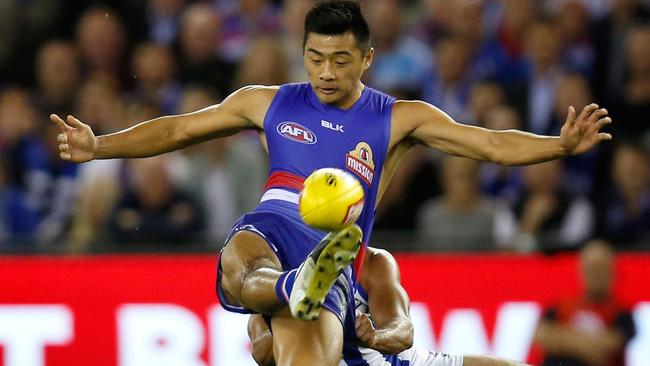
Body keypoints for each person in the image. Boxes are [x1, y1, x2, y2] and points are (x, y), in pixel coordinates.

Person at [51, 2, 612, 365]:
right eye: (315, 58)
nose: (325, 72)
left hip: (337, 256)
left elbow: (488, 144)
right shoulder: (266, 102)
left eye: (340, 60)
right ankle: (289, 287)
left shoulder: (400, 118)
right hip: (276, 224)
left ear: (366, 58)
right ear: (302, 55)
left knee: (288, 351)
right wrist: (102, 145)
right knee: (242, 258)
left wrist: (558, 146)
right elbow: (178, 129)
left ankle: (294, 291)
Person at [248, 246, 527, 366]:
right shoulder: (274, 278)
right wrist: (310, 316)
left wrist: (374, 336)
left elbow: (403, 331)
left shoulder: (371, 262)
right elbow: (262, 354)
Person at [533, 240, 636, 365]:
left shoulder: (622, 311)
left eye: (601, 269)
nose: (597, 275)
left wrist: (561, 339)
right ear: (581, 269)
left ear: (613, 272)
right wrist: (586, 348)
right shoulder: (561, 305)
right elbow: (541, 336)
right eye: (592, 268)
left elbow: (614, 342)